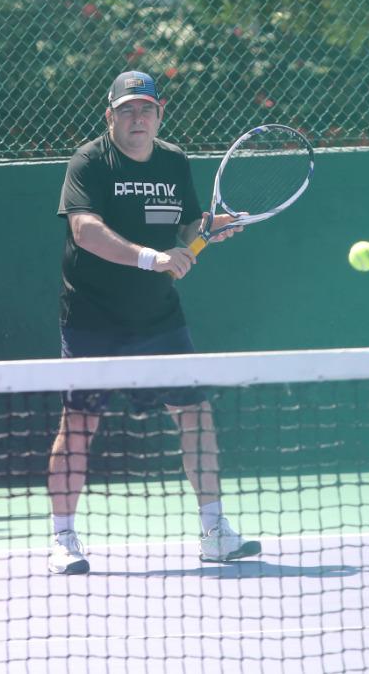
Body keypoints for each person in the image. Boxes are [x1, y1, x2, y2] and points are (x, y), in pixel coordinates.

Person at [46, 69, 259, 574]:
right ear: (110, 116)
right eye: (126, 110)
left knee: (195, 412)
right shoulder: (90, 162)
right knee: (79, 423)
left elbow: (184, 224)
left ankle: (214, 533)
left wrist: (206, 229)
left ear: (160, 114)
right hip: (92, 317)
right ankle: (63, 539)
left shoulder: (173, 161)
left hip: (158, 317)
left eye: (145, 109)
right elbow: (86, 230)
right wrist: (152, 258)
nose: (136, 118)